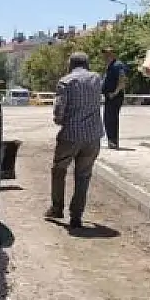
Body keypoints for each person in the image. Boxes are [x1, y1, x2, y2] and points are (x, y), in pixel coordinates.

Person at [46, 51, 104, 229]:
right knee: (83, 176)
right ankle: (76, 216)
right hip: (93, 136)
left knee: (59, 170)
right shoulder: (96, 79)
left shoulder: (66, 81)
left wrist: (59, 120)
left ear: (70, 64)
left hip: (70, 135)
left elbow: (59, 110)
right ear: (87, 64)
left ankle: (57, 208)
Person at [101, 46, 128, 149]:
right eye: (105, 54)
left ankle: (113, 141)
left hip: (115, 96)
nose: (106, 56)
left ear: (113, 54)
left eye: (108, 53)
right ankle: (111, 141)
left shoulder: (118, 65)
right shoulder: (110, 65)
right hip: (109, 96)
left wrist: (115, 93)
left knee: (112, 119)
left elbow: (122, 80)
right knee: (108, 119)